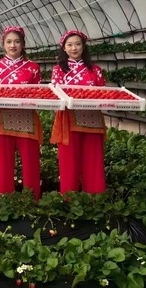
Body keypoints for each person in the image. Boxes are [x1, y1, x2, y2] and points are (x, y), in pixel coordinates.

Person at [0, 27, 42, 200]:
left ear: (23, 44)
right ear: (3, 44)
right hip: (3, 118)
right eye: (9, 42)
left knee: (31, 161)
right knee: (3, 161)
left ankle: (31, 198)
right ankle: (3, 198)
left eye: (17, 42)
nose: (13, 45)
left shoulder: (33, 67)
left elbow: (38, 93)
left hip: (27, 119)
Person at [50, 30, 106, 194]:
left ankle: (95, 196)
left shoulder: (95, 70)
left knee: (93, 159)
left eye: (78, 44)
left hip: (92, 119)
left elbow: (102, 93)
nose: (74, 48)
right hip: (68, 119)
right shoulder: (58, 70)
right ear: (64, 48)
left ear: (84, 46)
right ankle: (69, 197)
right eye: (70, 45)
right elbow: (56, 95)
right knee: (69, 160)